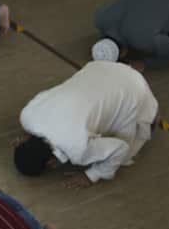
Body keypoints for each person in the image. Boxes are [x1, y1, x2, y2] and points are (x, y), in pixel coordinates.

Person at [14, 61, 158, 186]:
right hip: (102, 68)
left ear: (51, 163)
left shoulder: (78, 149)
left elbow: (120, 148)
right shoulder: (27, 117)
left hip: (132, 89)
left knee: (126, 154)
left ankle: (151, 113)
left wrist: (92, 175)